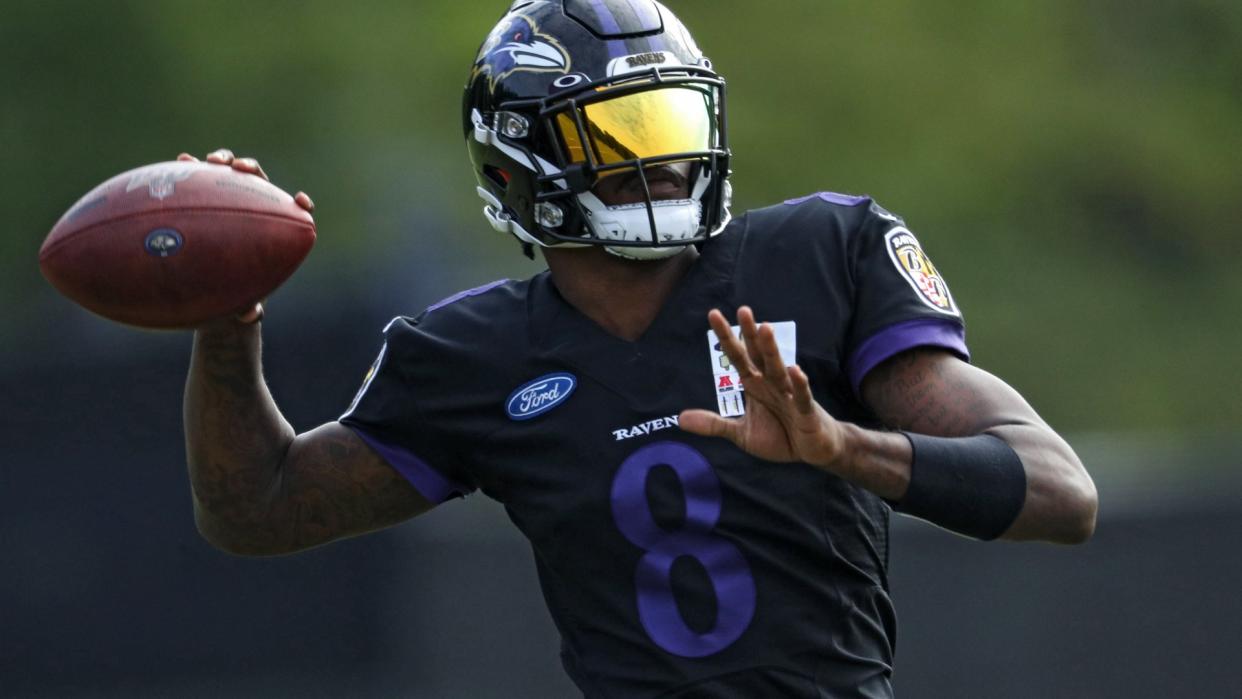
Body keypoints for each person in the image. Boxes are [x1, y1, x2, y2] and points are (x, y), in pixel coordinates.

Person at [182, 1, 1098, 696]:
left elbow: (1060, 492)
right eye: (623, 133)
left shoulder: (820, 256)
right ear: (521, 157)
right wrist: (228, 326)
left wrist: (843, 447)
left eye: (676, 124)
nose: (666, 161)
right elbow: (257, 510)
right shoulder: (473, 354)